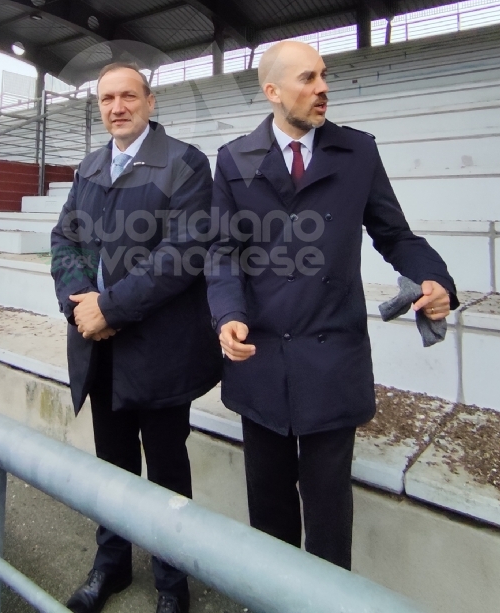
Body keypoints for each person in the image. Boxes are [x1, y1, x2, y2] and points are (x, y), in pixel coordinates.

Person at [206, 40, 457, 569]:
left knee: (328, 522)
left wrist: (433, 278)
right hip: (261, 362)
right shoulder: (233, 160)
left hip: (331, 362)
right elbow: (223, 252)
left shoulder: (358, 151)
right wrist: (228, 315)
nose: (322, 88)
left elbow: (396, 235)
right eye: (307, 78)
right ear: (272, 91)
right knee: (269, 521)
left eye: (323, 75)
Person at [50, 61, 221, 613]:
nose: (116, 107)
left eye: (128, 96)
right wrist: (80, 303)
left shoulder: (185, 164)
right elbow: (64, 240)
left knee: (167, 469)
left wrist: (111, 308)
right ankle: (112, 566)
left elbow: (183, 255)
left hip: (160, 352)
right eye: (106, 99)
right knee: (112, 464)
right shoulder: (90, 167)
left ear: (150, 102)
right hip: (101, 348)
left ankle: (173, 584)